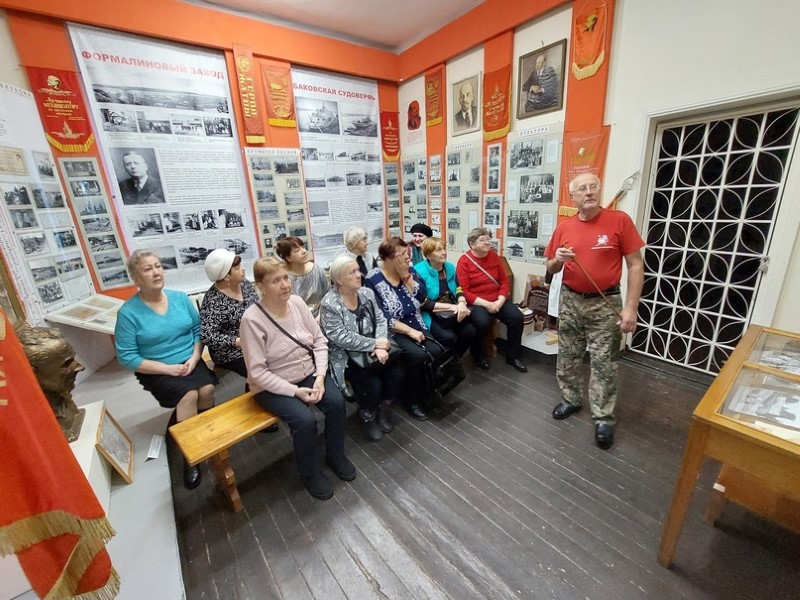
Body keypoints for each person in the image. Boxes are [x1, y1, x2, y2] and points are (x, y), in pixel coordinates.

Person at [239, 257, 354, 500]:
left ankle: (335, 455)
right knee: (305, 421)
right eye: (275, 281)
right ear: (260, 286)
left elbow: (319, 341)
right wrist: (295, 392)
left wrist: (320, 376)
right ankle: (309, 473)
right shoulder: (251, 319)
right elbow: (257, 372)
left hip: (308, 373)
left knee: (336, 403)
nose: (285, 285)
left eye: (285, 278)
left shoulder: (298, 303)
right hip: (271, 385)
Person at [545, 173, 644, 450]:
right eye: (582, 189)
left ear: (599, 190)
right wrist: (557, 260)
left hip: (605, 302)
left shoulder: (619, 220)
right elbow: (550, 267)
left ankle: (603, 417)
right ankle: (571, 399)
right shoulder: (564, 227)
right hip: (570, 300)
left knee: (604, 362)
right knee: (568, 355)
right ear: (573, 196)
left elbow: (636, 265)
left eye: (593, 187)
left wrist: (631, 308)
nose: (588, 192)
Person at [114, 250, 216, 489]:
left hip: (190, 359)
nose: (156, 272)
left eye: (158, 266)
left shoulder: (179, 298)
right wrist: (167, 369)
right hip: (157, 368)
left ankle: (207, 434)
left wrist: (195, 357)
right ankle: (190, 455)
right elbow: (127, 356)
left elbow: (197, 330)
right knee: (188, 395)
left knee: (207, 390)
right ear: (136, 278)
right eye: (147, 269)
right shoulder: (128, 313)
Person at [321, 255, 403, 442]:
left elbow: (380, 319)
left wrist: (381, 340)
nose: (359, 275)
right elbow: (341, 337)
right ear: (339, 279)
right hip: (347, 355)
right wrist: (374, 344)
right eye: (352, 272)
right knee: (372, 385)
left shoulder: (366, 293)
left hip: (376, 347)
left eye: (358, 270)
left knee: (396, 374)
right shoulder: (330, 304)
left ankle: (383, 407)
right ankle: (368, 415)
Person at [365, 237, 442, 420]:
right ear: (389, 258)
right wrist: (408, 331)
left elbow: (422, 296)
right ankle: (412, 400)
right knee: (418, 356)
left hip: (416, 322)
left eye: (407, 254)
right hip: (393, 330)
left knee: (435, 350)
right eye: (402, 255)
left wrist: (405, 276)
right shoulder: (373, 279)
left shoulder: (409, 270)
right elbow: (380, 316)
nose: (408, 258)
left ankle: (426, 391)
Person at [457, 227, 527, 373]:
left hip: (497, 299)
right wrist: (487, 304)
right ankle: (478, 354)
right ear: (472, 244)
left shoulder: (494, 257)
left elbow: (504, 282)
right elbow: (464, 291)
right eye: (482, 240)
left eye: (488, 239)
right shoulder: (464, 262)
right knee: (481, 323)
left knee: (516, 317)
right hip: (477, 302)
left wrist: (499, 301)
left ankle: (513, 356)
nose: (487, 243)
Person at [413, 237, 481, 364]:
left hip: (450, 311)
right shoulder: (418, 271)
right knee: (448, 337)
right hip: (429, 313)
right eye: (438, 250)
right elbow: (422, 303)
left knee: (470, 332)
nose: (444, 252)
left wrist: (461, 302)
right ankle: (441, 363)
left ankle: (453, 361)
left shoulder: (449, 267)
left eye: (444, 248)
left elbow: (459, 288)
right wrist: (454, 307)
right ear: (428, 255)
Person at [275, 236, 330, 318]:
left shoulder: (316, 270)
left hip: (321, 316)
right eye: (297, 250)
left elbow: (327, 295)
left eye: (303, 247)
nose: (304, 251)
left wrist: (321, 315)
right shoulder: (283, 278)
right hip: (295, 319)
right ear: (288, 258)